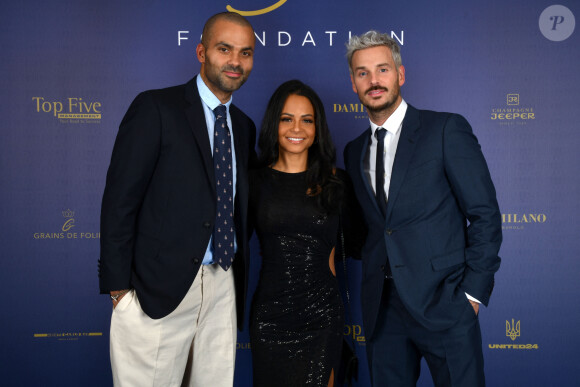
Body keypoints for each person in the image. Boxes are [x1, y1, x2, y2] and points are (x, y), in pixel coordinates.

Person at [98, 12, 256, 386]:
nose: (235, 61)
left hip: (222, 284)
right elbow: (119, 201)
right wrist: (120, 291)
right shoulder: (155, 108)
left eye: (246, 53)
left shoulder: (245, 127)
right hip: (157, 290)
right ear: (202, 52)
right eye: (224, 49)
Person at [343, 31, 502, 386]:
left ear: (401, 74)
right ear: (353, 83)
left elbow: (485, 214)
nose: (374, 81)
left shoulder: (444, 129)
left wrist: (471, 296)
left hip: (444, 303)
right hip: (383, 312)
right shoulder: (354, 151)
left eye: (382, 69)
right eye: (362, 73)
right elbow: (374, 228)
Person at [249, 80, 363, 387]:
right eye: (287, 118)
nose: (296, 128)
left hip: (321, 315)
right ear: (275, 123)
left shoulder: (337, 182)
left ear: (317, 128)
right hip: (269, 316)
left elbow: (356, 244)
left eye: (307, 120)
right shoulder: (254, 182)